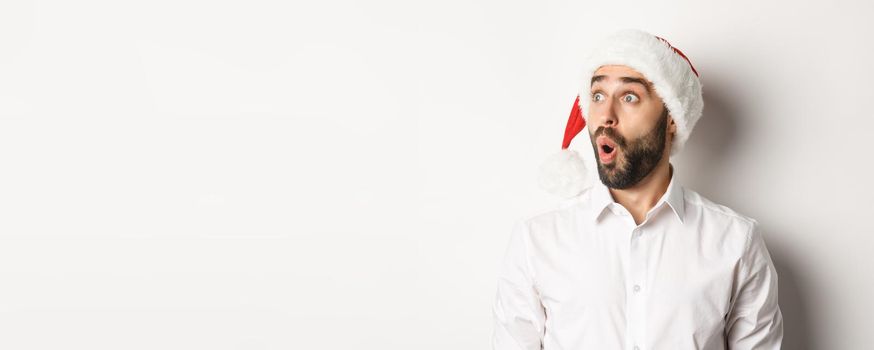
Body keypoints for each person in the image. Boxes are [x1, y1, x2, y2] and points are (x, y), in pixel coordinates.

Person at [491, 29, 783, 350]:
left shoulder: (735, 243)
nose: (605, 116)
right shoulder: (537, 242)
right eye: (598, 96)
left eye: (629, 97)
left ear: (671, 117)